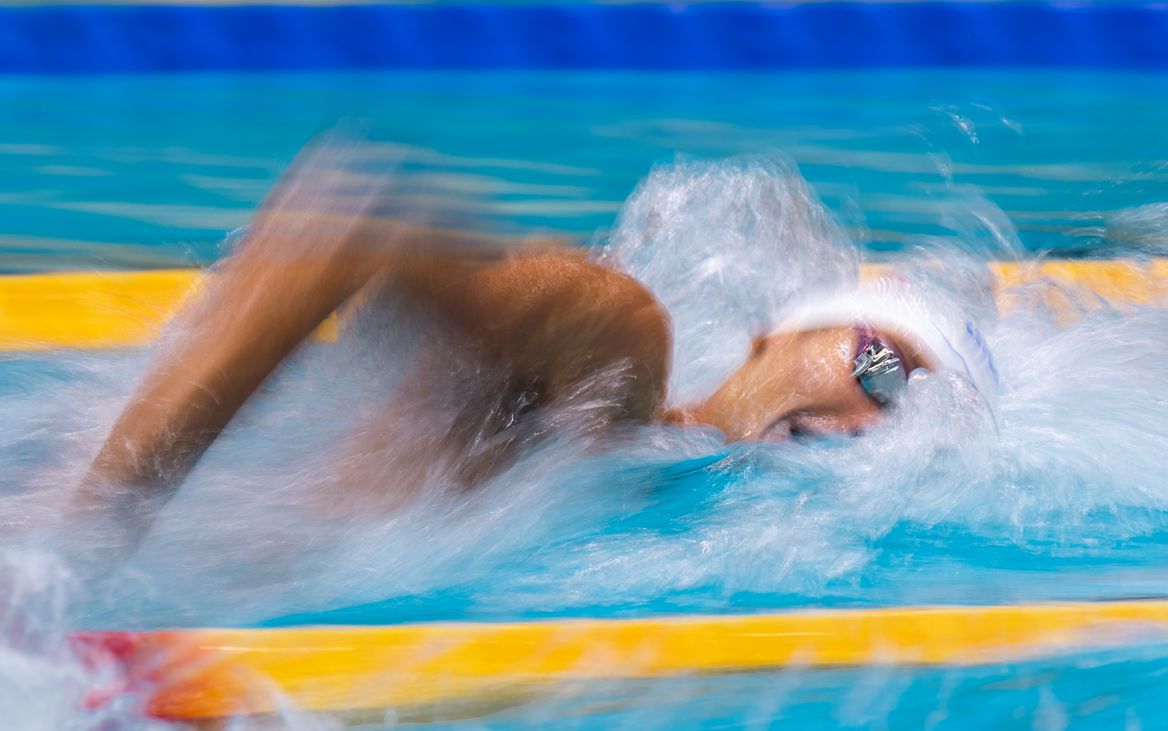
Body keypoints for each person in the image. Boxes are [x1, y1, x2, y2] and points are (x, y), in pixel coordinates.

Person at [74, 141, 998, 538]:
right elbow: (362, 204)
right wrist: (83, 546)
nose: (879, 419)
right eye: (881, 368)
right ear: (766, 340)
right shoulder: (614, 346)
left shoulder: (654, 491)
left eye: (913, 413)